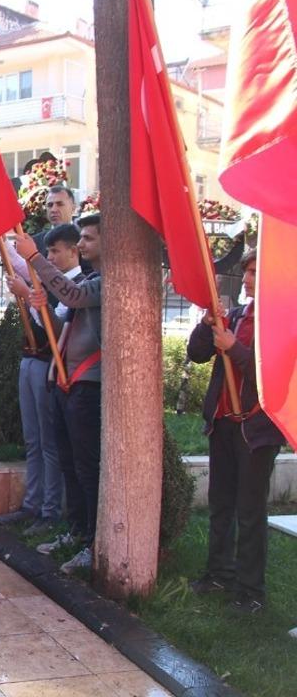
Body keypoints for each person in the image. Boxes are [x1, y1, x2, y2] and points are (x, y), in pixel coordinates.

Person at [187, 249, 285, 614]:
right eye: (246, 271)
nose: (246, 278)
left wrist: (236, 349)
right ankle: (218, 574)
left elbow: (272, 376)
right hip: (224, 424)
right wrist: (207, 324)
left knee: (249, 510)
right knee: (221, 505)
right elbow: (197, 353)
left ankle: (251, 591)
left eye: (255, 272)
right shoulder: (238, 315)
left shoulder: (281, 320)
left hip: (256, 430)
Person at [15, 213, 102, 575]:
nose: (81, 245)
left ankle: (94, 541)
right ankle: (77, 529)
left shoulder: (101, 282)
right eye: (80, 238)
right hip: (66, 382)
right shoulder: (91, 279)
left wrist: (33, 259)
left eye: (88, 239)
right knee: (69, 463)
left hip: (89, 382)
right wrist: (36, 304)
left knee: (86, 467)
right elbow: (59, 322)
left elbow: (75, 296)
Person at [0, 223, 82, 534]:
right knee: (33, 440)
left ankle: (49, 511)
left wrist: (29, 297)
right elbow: (21, 265)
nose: (50, 257)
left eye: (56, 251)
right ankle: (31, 504)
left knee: (49, 443)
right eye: (47, 252)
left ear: (74, 252)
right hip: (31, 359)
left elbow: (56, 328)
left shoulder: (78, 285)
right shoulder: (47, 278)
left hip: (51, 366)